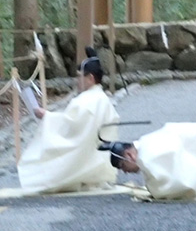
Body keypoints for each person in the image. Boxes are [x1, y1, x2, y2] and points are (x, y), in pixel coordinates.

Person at [16, 49, 120, 193]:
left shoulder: (88, 101)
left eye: (79, 77)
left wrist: (48, 116)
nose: (77, 81)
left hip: (90, 149)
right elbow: (75, 122)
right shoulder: (99, 98)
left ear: (90, 78)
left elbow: (72, 124)